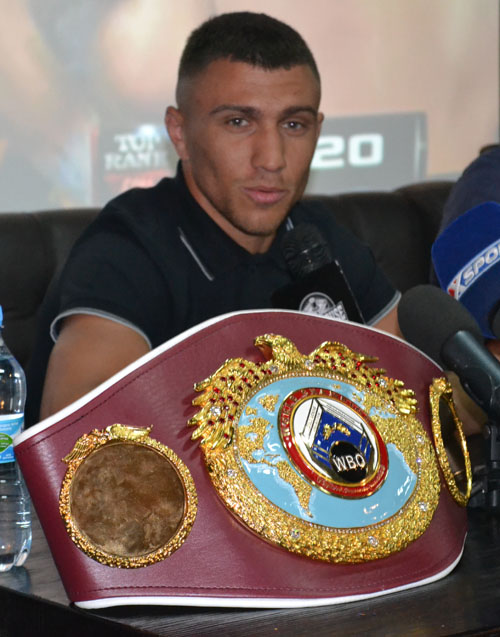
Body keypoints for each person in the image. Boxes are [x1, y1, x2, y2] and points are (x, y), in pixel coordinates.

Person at [27, 11, 400, 426]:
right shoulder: (126, 251)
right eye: (238, 122)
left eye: (294, 124)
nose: (272, 159)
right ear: (180, 133)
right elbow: (86, 442)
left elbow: (413, 401)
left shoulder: (317, 240)